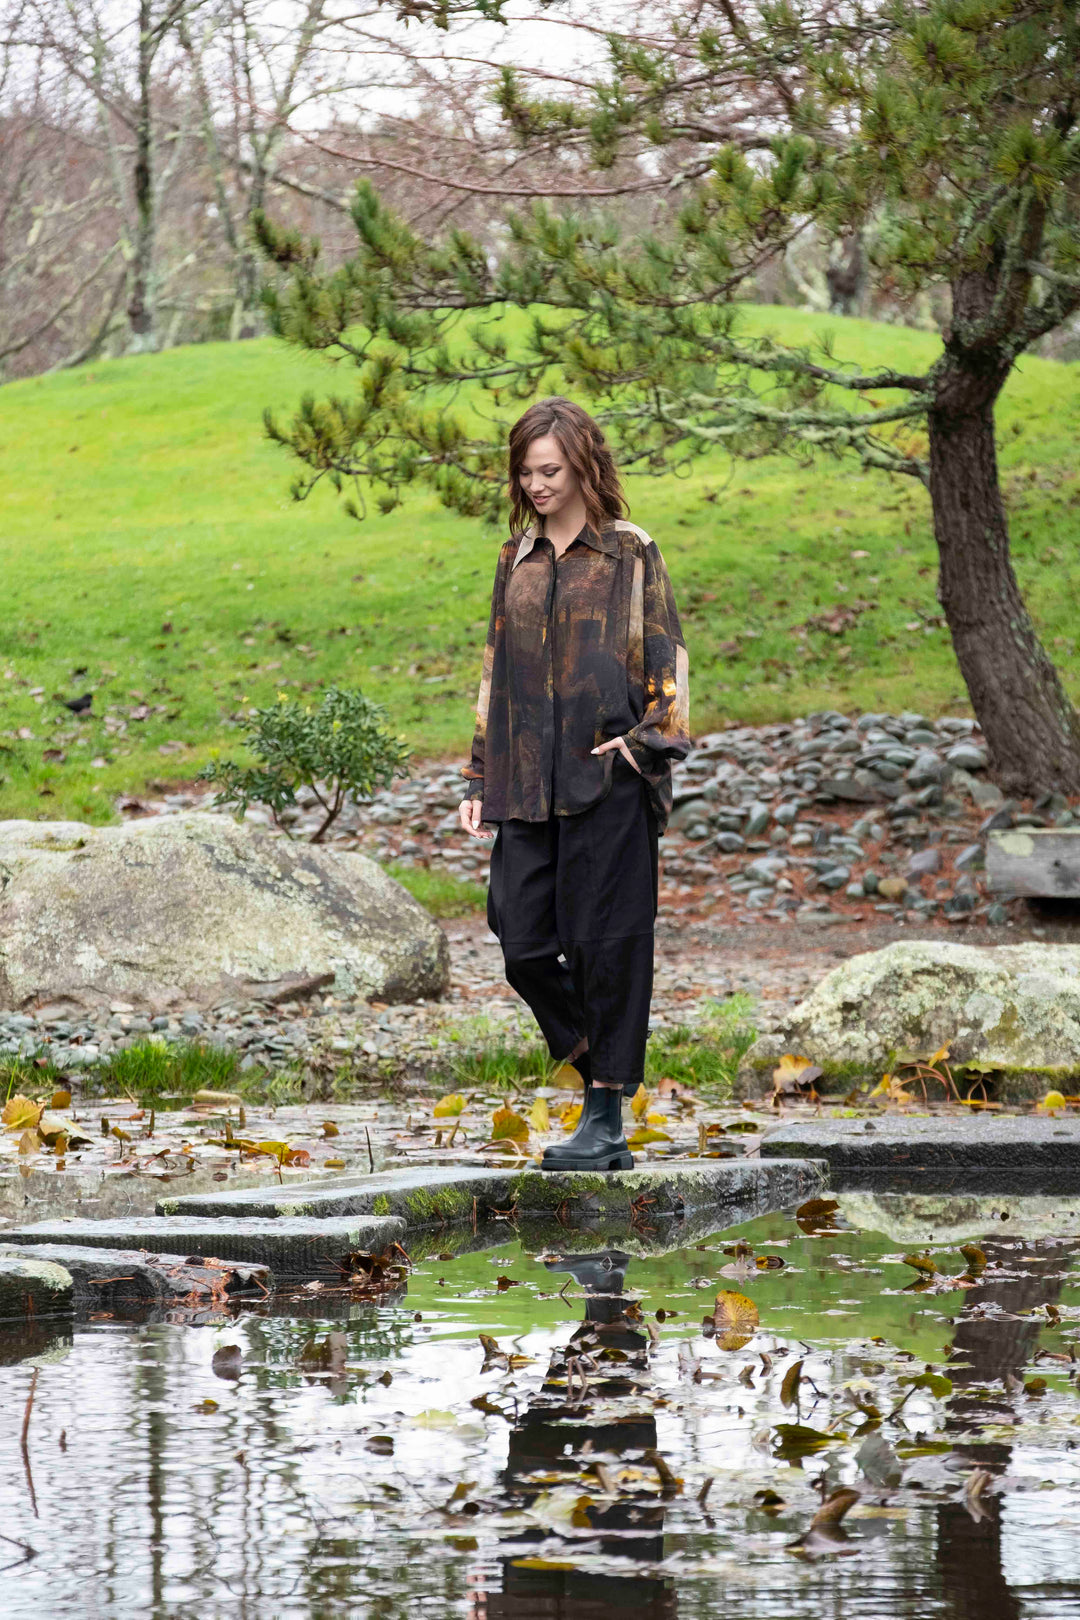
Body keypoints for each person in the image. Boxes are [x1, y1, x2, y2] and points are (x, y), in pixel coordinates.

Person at [457, 396, 691, 1172]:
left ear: (584, 464)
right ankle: (601, 1072)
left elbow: (668, 660)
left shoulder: (630, 551)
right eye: (525, 472)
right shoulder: (514, 558)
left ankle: (604, 1121)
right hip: (525, 782)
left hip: (608, 780)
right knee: (520, 940)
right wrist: (479, 770)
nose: (536, 484)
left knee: (606, 947)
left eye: (550, 469)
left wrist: (641, 750)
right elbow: (496, 669)